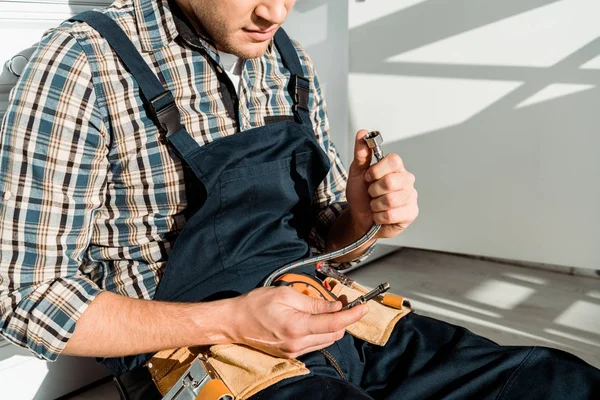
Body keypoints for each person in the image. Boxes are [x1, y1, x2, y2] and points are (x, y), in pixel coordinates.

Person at [0, 0, 598, 399]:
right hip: (204, 357)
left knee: (558, 382)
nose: (275, 10)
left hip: (331, 319)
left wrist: (361, 219)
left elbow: (319, 240)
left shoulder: (284, 56)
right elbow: (24, 300)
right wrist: (233, 318)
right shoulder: (82, 64)